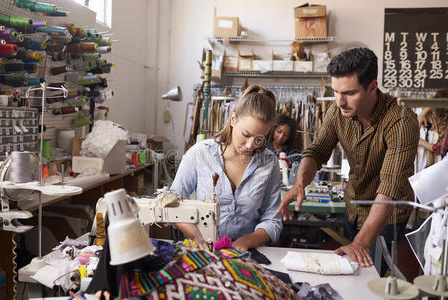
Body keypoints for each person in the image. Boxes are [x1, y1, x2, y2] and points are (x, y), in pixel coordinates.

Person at [277, 48, 419, 271]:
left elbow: (390, 187)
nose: (340, 101)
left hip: (387, 215)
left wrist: (361, 243)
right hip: (353, 206)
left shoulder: (401, 121)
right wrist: (299, 183)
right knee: (352, 271)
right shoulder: (337, 112)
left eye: (349, 93)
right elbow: (317, 151)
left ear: (372, 87)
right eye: (335, 92)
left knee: (371, 277)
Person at [171, 84, 282, 251]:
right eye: (246, 135)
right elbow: (173, 203)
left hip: (247, 253)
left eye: (260, 139)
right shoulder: (199, 154)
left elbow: (272, 220)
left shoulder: (269, 162)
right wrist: (197, 236)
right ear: (233, 119)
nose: (250, 145)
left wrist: (247, 241)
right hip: (203, 251)